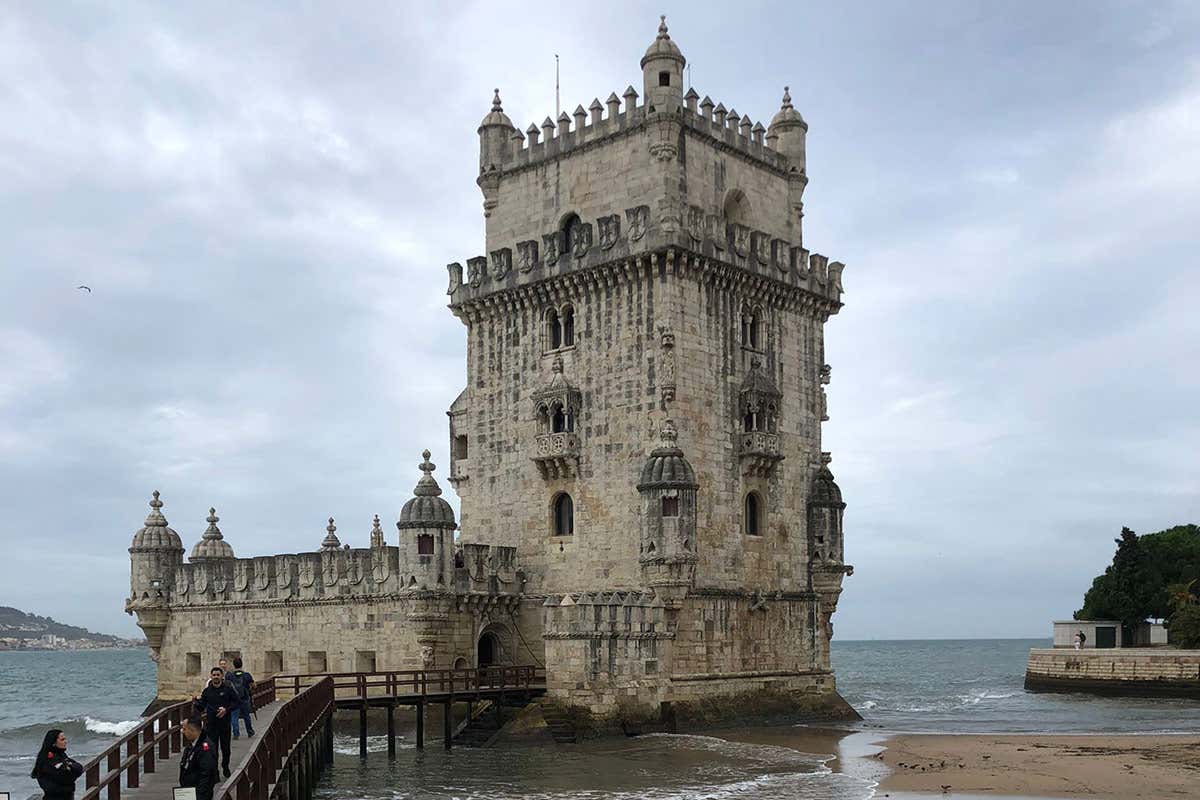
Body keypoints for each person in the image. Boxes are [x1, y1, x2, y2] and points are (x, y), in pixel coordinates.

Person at [193, 666, 240, 778]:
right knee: (212, 751)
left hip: (224, 725)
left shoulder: (227, 689)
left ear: (222, 676)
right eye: (214, 675)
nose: (216, 677)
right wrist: (195, 702)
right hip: (211, 725)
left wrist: (226, 710)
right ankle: (215, 772)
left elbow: (236, 702)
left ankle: (225, 766)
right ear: (211, 676)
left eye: (218, 675)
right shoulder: (207, 691)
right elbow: (201, 707)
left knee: (226, 749)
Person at [30, 728, 84, 800]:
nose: (65, 742)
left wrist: (70, 766)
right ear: (54, 742)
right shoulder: (48, 758)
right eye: (62, 740)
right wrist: (70, 769)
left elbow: (79, 767)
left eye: (65, 739)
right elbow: (66, 777)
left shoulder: (61, 754)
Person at [179, 716, 218, 800]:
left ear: (192, 730)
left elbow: (207, 773)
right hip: (189, 791)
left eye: (185, 729)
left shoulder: (205, 748)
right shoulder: (192, 744)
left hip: (199, 793)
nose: (182, 732)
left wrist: (199, 796)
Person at [228, 656, 256, 739]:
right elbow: (253, 686)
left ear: (233, 665)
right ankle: (250, 732)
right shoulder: (246, 675)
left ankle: (236, 733)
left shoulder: (229, 675)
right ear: (241, 664)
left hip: (233, 699)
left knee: (234, 717)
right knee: (246, 715)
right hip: (244, 698)